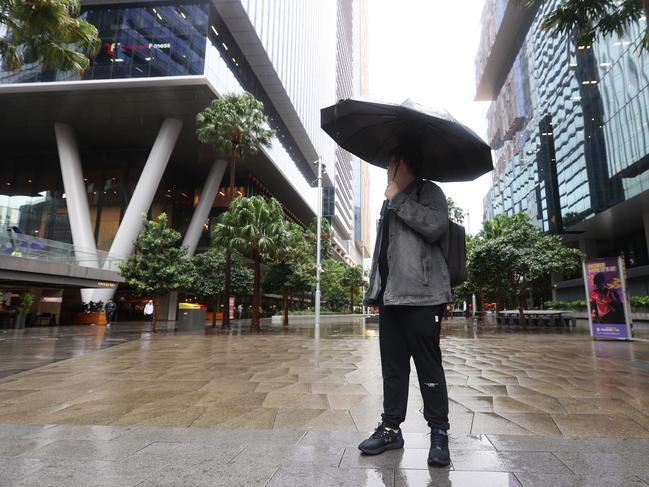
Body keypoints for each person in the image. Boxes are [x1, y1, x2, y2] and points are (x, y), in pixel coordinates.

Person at [358, 144, 452, 467]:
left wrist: (398, 198)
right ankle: (390, 428)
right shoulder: (388, 203)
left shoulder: (430, 193)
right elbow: (383, 251)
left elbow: (435, 226)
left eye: (388, 165)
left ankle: (439, 432)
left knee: (429, 367)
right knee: (393, 369)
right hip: (391, 299)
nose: (386, 172)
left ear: (400, 166)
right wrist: (375, 292)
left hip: (424, 299)